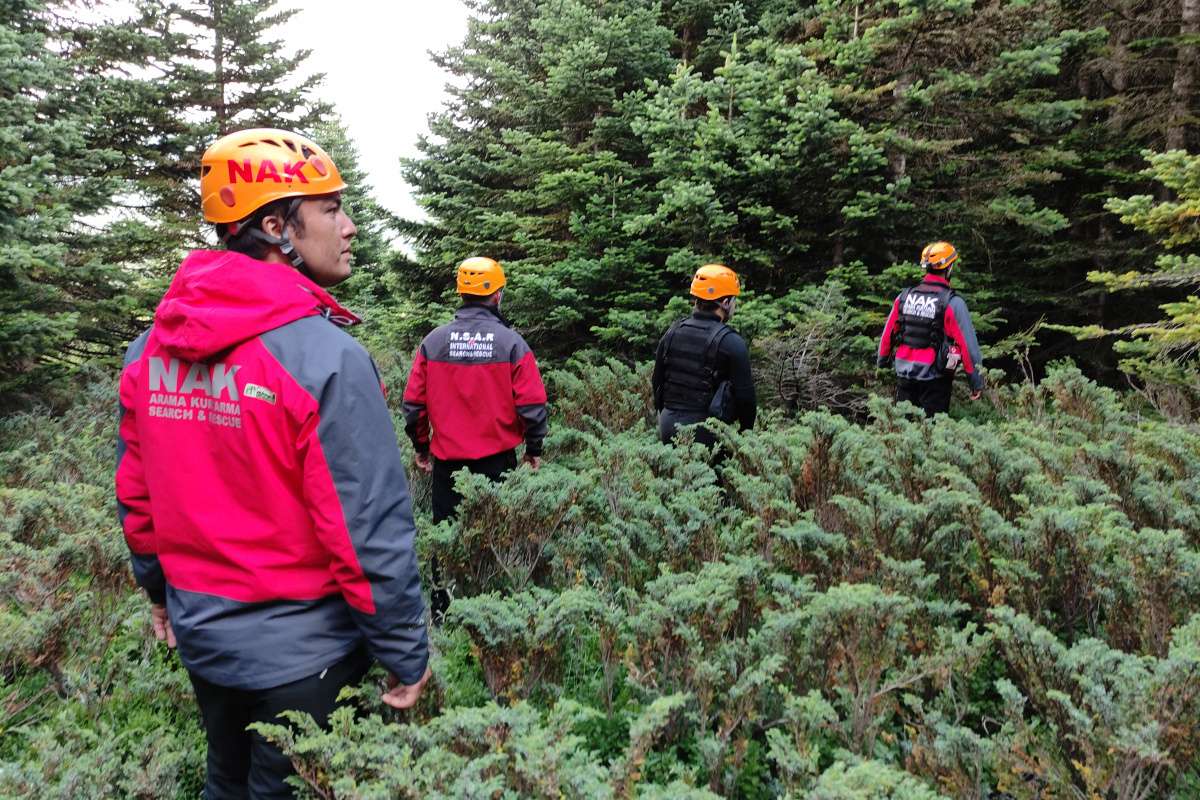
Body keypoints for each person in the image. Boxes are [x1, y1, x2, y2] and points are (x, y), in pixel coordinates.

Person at [115, 128, 430, 799]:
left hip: (205, 639)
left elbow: (138, 496)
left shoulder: (149, 351)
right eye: (330, 209)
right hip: (306, 655)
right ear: (275, 226)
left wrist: (158, 591)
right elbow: (365, 527)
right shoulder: (324, 358)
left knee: (224, 782)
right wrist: (405, 652)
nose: (348, 227)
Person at [402, 256, 548, 617]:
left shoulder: (433, 342)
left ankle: (443, 611)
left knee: (445, 538)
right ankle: (493, 613)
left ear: (461, 293)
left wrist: (422, 447)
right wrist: (534, 449)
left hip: (447, 464)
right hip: (498, 462)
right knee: (496, 534)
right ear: (497, 295)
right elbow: (532, 404)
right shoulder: (511, 343)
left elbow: (413, 405)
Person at [652, 263, 756, 447]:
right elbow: (746, 400)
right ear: (724, 302)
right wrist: (744, 437)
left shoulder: (672, 332)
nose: (734, 305)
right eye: (733, 300)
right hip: (708, 433)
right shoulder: (732, 342)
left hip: (667, 426)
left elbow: (657, 382)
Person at [877, 241, 985, 416]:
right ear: (948, 268)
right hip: (935, 382)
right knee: (931, 436)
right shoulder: (953, 303)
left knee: (903, 433)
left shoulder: (903, 297)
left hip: (904, 378)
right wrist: (976, 382)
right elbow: (969, 348)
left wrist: (882, 365)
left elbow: (887, 336)